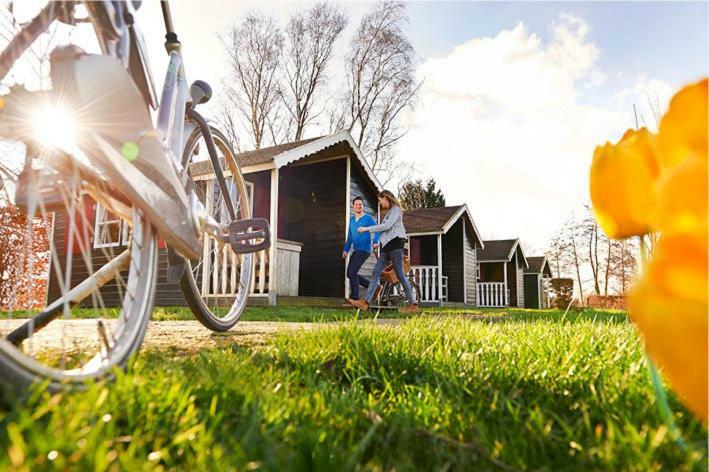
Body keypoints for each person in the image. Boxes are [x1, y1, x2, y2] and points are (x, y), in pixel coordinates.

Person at [348, 190, 419, 313]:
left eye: (381, 201)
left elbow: (386, 227)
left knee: (400, 274)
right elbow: (385, 231)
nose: (380, 204)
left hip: (396, 244)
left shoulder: (396, 209)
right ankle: (365, 302)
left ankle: (412, 304)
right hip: (387, 247)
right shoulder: (388, 213)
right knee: (376, 272)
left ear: (386, 198)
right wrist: (377, 243)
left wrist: (366, 229)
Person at [343, 196, 380, 302]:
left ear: (362, 206)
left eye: (360, 204)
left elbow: (377, 230)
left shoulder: (368, 218)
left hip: (364, 250)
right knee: (350, 274)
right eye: (356, 204)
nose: (358, 206)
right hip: (356, 249)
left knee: (352, 273)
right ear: (353, 206)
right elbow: (350, 236)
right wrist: (346, 249)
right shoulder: (352, 220)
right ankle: (373, 286)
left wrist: (376, 241)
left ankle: (355, 297)